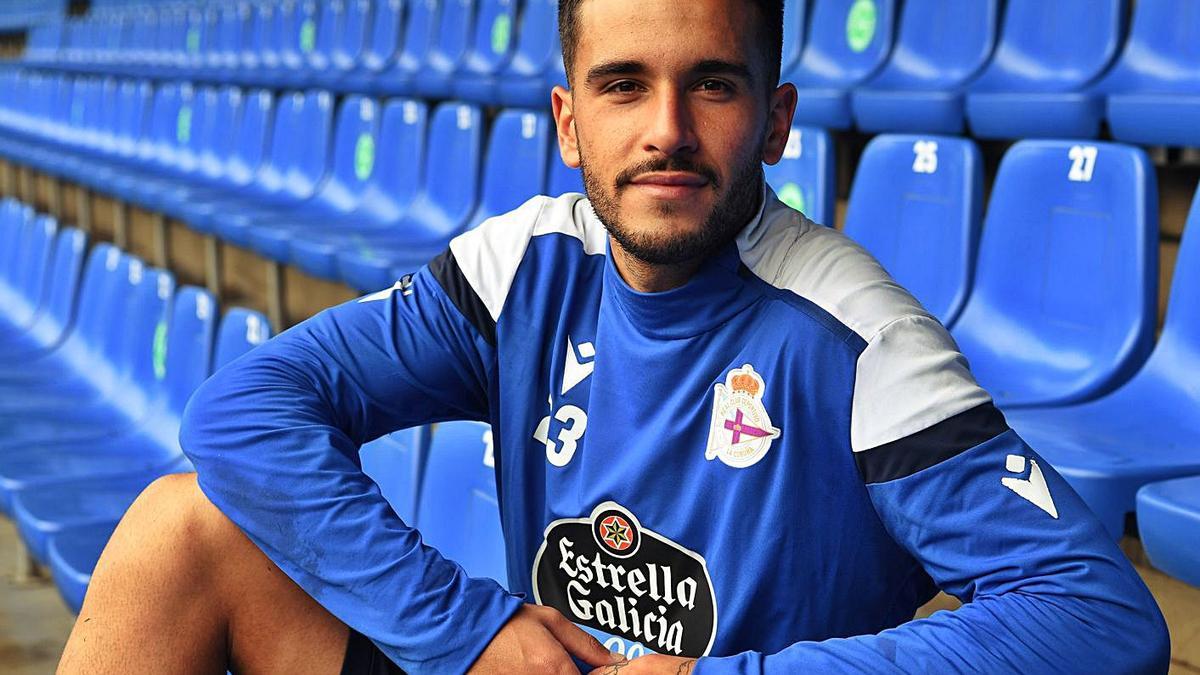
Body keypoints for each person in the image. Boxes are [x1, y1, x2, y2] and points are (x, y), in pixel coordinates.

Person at [59, 0, 1170, 672]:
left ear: (776, 120)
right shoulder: (524, 265)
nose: (668, 132)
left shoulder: (859, 336)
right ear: (568, 120)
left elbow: (1097, 618)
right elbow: (245, 411)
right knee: (180, 531)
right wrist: (468, 634)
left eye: (714, 87)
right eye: (624, 86)